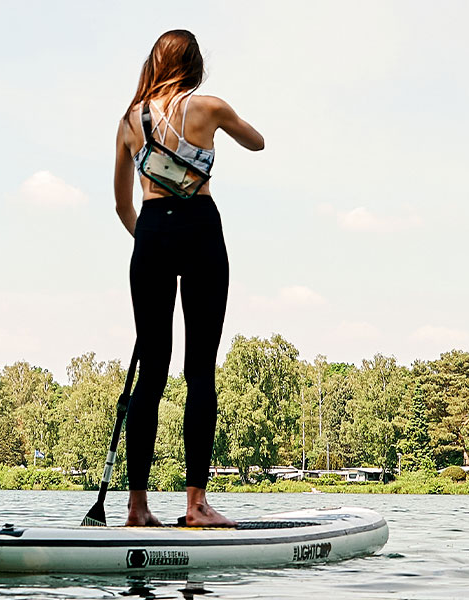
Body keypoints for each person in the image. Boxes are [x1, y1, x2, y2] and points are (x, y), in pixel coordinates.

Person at [111, 29, 263, 527]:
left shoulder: (130, 121)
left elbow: (121, 205)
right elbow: (257, 143)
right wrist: (223, 123)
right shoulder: (209, 107)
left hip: (151, 231)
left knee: (151, 372)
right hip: (200, 227)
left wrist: (151, 239)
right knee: (200, 368)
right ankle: (196, 505)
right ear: (194, 64)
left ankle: (137, 508)